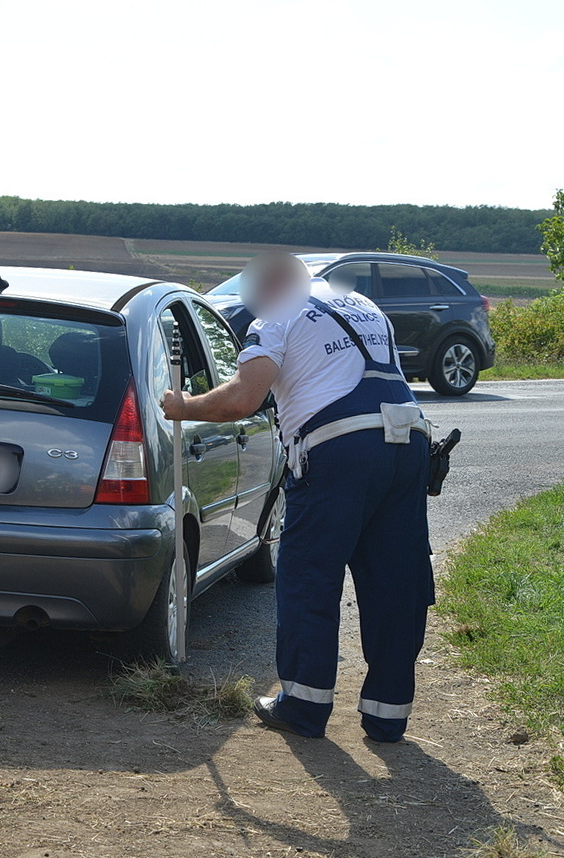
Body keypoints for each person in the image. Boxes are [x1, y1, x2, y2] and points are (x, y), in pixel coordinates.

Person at [161, 251, 433, 743]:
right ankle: (388, 717)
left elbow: (245, 398)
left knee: (310, 575)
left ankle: (303, 707)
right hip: (409, 443)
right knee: (396, 581)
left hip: (338, 449)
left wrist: (184, 406)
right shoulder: (363, 304)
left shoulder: (275, 318)